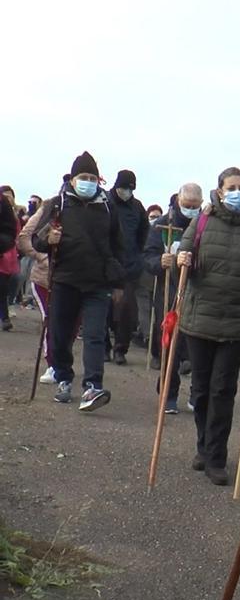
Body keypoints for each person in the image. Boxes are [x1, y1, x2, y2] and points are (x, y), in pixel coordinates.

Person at [175, 168, 240, 485]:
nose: (238, 192)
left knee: (223, 390)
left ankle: (217, 457)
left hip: (237, 321)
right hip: (199, 319)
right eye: (232, 187)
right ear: (220, 190)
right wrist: (182, 259)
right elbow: (183, 252)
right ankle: (203, 446)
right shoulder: (201, 220)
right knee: (200, 390)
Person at [30, 152, 125, 411]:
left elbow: (118, 247)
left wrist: (118, 283)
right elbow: (37, 240)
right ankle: (63, 378)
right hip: (64, 280)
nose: (88, 182)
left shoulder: (108, 207)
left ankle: (92, 386)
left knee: (94, 335)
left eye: (93, 178)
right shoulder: (58, 204)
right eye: (84, 177)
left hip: (98, 282)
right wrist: (48, 240)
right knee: (61, 334)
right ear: (72, 180)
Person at [144, 187, 201, 412]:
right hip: (168, 290)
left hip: (197, 293)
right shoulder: (161, 225)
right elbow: (147, 257)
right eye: (187, 204)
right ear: (178, 200)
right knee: (170, 344)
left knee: (197, 346)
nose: (191, 209)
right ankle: (168, 393)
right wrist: (160, 261)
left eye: (196, 206)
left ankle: (198, 395)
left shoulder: (205, 224)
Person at [17, 194, 60, 381]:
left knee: (71, 324)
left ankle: (62, 361)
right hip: (45, 278)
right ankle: (52, 364)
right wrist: (41, 256)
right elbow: (25, 236)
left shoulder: (88, 212)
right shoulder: (49, 209)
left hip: (76, 278)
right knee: (51, 320)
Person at [107, 170, 148, 365]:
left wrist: (136, 257)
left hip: (129, 266)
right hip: (105, 264)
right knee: (104, 309)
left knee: (127, 311)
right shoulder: (105, 201)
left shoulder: (137, 207)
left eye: (131, 189)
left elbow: (143, 234)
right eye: (124, 188)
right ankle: (104, 347)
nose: (127, 192)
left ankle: (121, 349)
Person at [134, 203, 164, 349]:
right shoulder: (143, 230)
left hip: (159, 274)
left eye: (157, 217)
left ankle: (155, 339)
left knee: (157, 310)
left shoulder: (162, 230)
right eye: (152, 216)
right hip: (143, 273)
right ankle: (147, 336)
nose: (154, 219)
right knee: (145, 308)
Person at [0, 187, 16, 331]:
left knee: (2, 286)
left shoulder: (2, 202)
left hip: (3, 254)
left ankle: (4, 317)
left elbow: (10, 231)